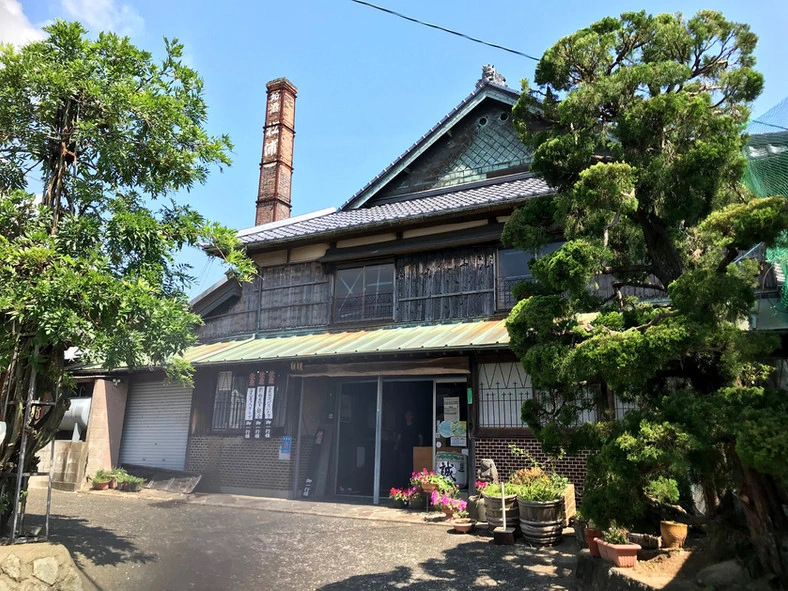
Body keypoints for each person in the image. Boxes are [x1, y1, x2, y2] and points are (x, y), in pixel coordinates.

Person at [395, 410, 424, 484]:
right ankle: (403, 482)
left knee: (412, 466)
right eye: (406, 415)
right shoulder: (403, 426)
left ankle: (412, 483)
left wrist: (419, 448)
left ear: (412, 417)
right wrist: (396, 445)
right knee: (403, 466)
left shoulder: (416, 426)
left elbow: (420, 438)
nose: (407, 417)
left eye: (409, 415)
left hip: (414, 449)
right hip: (404, 449)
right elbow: (399, 437)